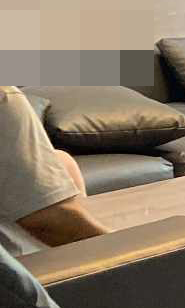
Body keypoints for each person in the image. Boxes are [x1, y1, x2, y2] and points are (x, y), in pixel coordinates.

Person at [0, 86, 109, 256]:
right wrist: (132, 252)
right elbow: (49, 221)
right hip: (27, 268)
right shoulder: (5, 98)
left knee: (63, 159)